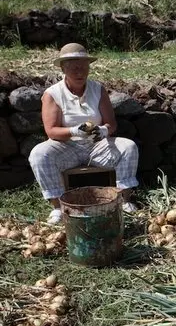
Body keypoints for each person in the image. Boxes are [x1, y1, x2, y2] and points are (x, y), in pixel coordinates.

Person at [29, 43, 139, 224]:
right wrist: (75, 131)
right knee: (39, 154)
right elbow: (51, 131)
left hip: (97, 145)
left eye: (83, 67)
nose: (80, 72)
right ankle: (57, 207)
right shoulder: (53, 94)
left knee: (128, 147)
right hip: (66, 146)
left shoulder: (98, 89)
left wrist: (103, 130)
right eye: (74, 68)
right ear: (64, 68)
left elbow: (111, 123)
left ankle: (124, 200)